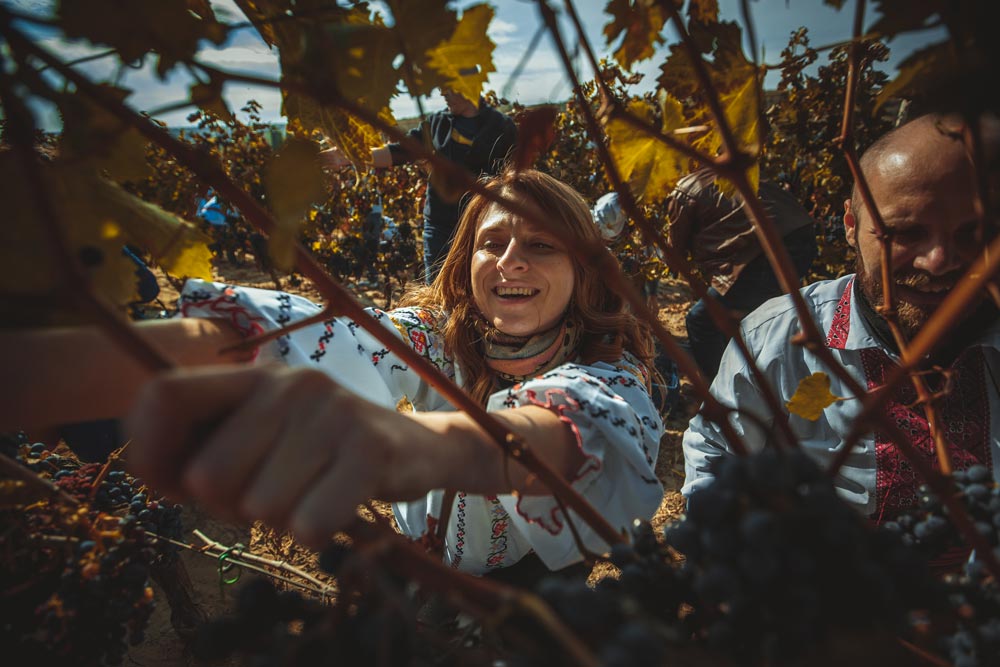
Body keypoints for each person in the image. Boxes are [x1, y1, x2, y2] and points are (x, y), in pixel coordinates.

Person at [6, 169, 662, 580]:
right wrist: (36, 371)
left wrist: (421, 445)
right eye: (493, 242)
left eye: (542, 245)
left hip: (534, 581)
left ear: (585, 270)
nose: (510, 261)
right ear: (466, 261)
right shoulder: (431, 336)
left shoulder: (608, 365)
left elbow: (575, 423)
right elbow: (307, 337)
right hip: (419, 569)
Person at [682, 113, 1000, 535]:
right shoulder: (776, 341)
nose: (939, 262)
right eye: (904, 233)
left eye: (974, 235)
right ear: (850, 225)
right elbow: (714, 455)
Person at [322, 72, 517, 283]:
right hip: (440, 225)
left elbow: (514, 178)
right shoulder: (437, 124)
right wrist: (350, 156)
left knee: (477, 288)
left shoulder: (502, 127)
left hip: (480, 225)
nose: (442, 93)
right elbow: (398, 152)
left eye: (448, 87)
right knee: (436, 289)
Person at [667, 167, 817, 380]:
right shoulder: (730, 173)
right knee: (760, 317)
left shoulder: (683, 190)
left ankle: (723, 390)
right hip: (802, 238)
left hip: (761, 253)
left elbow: (675, 255)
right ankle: (762, 380)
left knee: (701, 321)